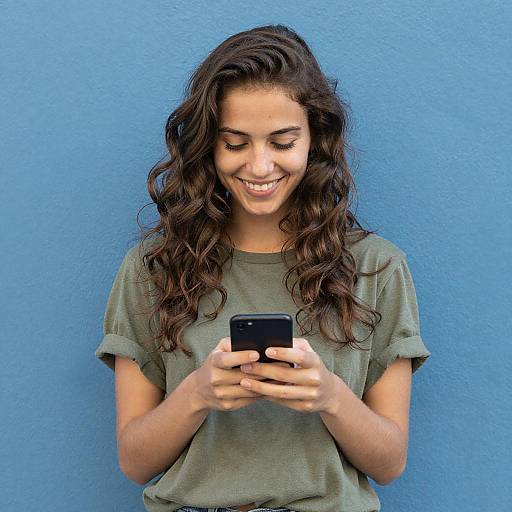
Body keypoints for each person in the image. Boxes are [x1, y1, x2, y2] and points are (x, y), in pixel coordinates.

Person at [95, 24, 431, 512]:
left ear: (314, 140)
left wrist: (329, 397)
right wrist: (197, 393)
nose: (259, 166)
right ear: (208, 146)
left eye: (282, 141)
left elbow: (389, 463)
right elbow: (134, 461)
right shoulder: (153, 268)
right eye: (235, 143)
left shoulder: (376, 268)